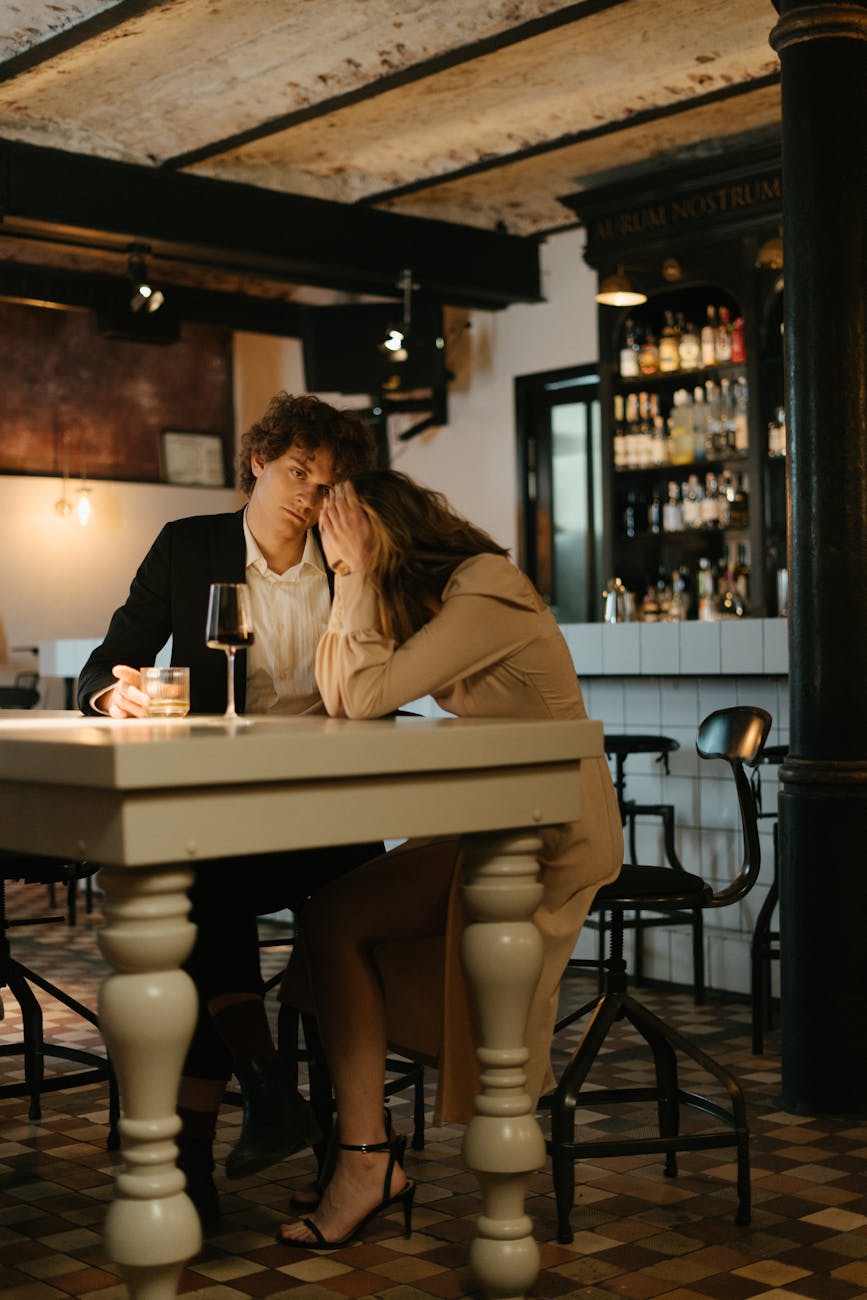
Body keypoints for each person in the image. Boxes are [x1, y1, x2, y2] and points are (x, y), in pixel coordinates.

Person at [276, 469, 623, 1249]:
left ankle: (366, 1163)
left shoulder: (487, 587)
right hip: (488, 819)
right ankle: (365, 1157)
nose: (333, 553)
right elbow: (342, 693)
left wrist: (356, 574)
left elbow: (361, 699)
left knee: (341, 923)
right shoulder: (434, 599)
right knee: (333, 918)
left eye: (340, 539)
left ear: (384, 533)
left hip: (549, 826)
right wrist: (347, 579)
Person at [77, 393, 382, 1227]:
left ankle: (212, 1151)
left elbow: (385, 678)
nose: (307, 498)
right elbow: (104, 665)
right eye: (295, 473)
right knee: (203, 891)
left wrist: (356, 574)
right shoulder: (190, 547)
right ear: (258, 461)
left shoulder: (350, 558)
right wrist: (116, 694)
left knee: (208, 902)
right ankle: (267, 1095)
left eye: (326, 486)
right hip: (225, 803)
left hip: (332, 811)